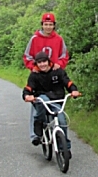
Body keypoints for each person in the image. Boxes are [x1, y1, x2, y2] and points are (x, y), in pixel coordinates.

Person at [23, 12, 70, 143]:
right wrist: (34, 67)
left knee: (56, 103)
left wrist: (58, 65)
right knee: (38, 104)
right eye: (46, 24)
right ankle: (35, 135)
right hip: (39, 75)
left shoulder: (59, 39)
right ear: (42, 25)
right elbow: (27, 56)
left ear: (54, 26)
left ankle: (61, 140)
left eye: (50, 25)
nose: (48, 27)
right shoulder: (34, 39)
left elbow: (64, 55)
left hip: (54, 75)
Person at [22, 51, 80, 157]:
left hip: (56, 101)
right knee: (42, 98)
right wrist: (27, 96)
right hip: (42, 101)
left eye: (44, 61)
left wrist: (73, 90)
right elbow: (28, 88)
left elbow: (67, 82)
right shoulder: (34, 75)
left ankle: (65, 148)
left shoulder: (57, 71)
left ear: (48, 61)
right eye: (39, 62)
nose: (42, 64)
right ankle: (39, 122)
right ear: (36, 64)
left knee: (62, 121)